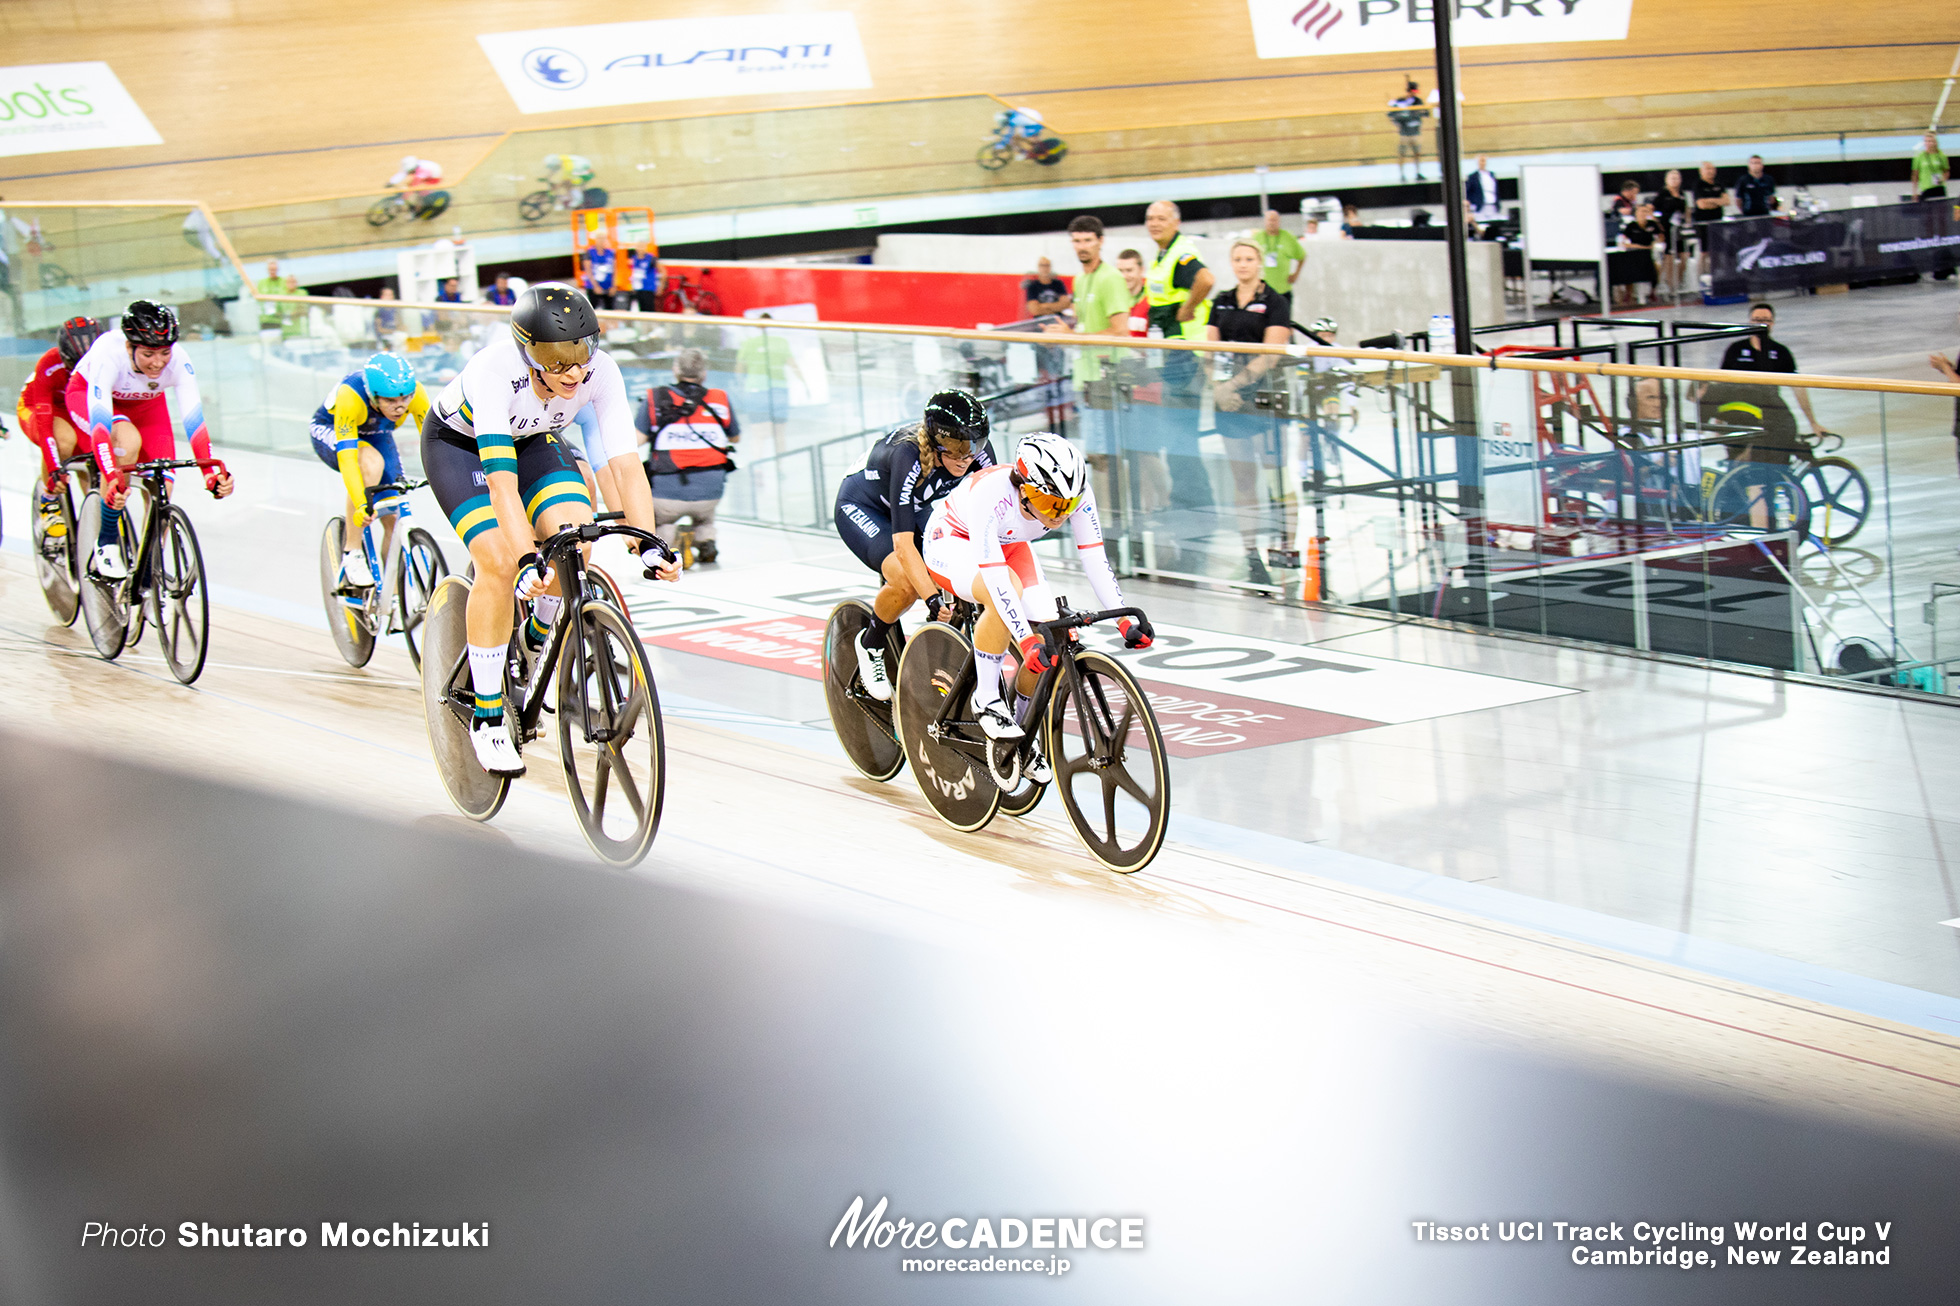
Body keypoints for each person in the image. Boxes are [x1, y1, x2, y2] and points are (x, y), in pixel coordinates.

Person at [420, 283, 679, 775]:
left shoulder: (602, 372)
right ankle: (489, 713)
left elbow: (626, 465)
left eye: (580, 353)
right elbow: (500, 484)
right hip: (461, 448)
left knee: (575, 538)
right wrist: (523, 560)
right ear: (528, 353)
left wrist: (650, 543)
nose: (574, 371)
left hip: (534, 439)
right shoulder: (497, 372)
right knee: (497, 562)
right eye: (557, 362)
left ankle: (538, 632)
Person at [919, 433, 1153, 766]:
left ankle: (1022, 728)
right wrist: (1024, 640)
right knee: (1007, 594)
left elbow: (1095, 559)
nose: (1059, 515)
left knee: (1049, 636)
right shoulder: (992, 492)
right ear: (1025, 488)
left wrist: (1123, 619)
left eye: (1067, 507)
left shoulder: (1074, 493)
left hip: (1010, 543)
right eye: (1050, 505)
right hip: (953, 539)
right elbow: (997, 578)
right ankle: (986, 698)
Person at [832, 391, 995, 700]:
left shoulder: (975, 453)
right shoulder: (907, 456)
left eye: (977, 445)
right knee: (908, 582)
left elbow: (993, 512)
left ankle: (936, 646)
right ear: (936, 443)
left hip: (914, 505)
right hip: (863, 506)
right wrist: (932, 599)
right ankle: (871, 643)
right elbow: (904, 546)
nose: (968, 456)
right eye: (959, 448)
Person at [67, 301, 236, 579]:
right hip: (89, 398)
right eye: (148, 354)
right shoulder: (108, 354)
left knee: (164, 485)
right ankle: (106, 542)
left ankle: (149, 563)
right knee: (126, 444)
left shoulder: (179, 360)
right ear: (129, 347)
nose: (158, 362)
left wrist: (209, 472)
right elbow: (100, 429)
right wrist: (112, 473)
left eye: (164, 353)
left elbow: (194, 420)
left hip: (146, 406)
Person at [1206, 241, 1295, 585]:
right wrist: (1218, 388)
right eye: (1237, 259)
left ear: (1259, 263)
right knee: (1243, 478)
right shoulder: (1222, 300)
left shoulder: (1276, 302)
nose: (1243, 264)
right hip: (1227, 403)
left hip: (1262, 398)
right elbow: (1209, 349)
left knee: (1276, 476)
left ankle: (1286, 548)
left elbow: (1270, 353)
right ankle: (1250, 552)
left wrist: (1235, 385)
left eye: (1249, 259)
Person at [310, 352, 430, 589]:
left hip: (376, 436)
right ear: (373, 397)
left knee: (393, 518)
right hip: (331, 431)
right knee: (371, 464)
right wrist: (360, 502)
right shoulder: (350, 396)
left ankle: (392, 597)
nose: (400, 407)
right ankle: (352, 550)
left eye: (405, 398)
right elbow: (348, 461)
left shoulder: (417, 394)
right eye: (390, 401)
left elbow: (434, 442)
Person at [1044, 216, 1131, 506]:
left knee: (1109, 455)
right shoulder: (1080, 280)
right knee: (1097, 455)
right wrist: (1062, 331)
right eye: (1077, 241)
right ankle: (1107, 515)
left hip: (1109, 377)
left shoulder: (1111, 278)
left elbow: (1120, 331)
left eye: (1087, 240)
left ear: (1100, 241)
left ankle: (1114, 516)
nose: (1082, 246)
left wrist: (1072, 335)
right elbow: (1083, 328)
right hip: (1087, 379)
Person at [637, 347, 738, 564]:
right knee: (705, 517)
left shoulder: (655, 398)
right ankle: (705, 538)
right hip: (711, 493)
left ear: (675, 370)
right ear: (704, 374)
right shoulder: (720, 399)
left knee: (660, 521)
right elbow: (735, 438)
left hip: (666, 495)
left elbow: (637, 440)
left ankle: (669, 544)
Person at [14, 315, 104, 538]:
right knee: (63, 441)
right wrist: (55, 468)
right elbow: (45, 423)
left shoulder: (109, 360)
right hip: (40, 407)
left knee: (91, 458)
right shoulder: (49, 362)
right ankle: (49, 500)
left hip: (74, 408)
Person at [1708, 301, 1821, 464]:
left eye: (1766, 320)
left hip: (1772, 418)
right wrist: (1718, 420)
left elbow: (1798, 387)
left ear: (1773, 323)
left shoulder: (1780, 352)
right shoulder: (1736, 350)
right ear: (1749, 322)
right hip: (1740, 417)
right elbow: (1721, 384)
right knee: (1739, 465)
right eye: (1756, 319)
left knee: (1774, 464)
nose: (1761, 323)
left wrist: (1813, 422)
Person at [735, 313, 805, 451]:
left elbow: (739, 368)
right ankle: (781, 467)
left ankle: (758, 469)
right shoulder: (780, 342)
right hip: (778, 389)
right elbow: (793, 364)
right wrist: (804, 384)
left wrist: (741, 385)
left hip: (756, 390)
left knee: (758, 434)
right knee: (779, 433)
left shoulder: (749, 343)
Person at [1247, 210, 1306, 316]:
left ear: (1279, 221)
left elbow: (1301, 256)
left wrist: (1296, 274)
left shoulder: (1287, 236)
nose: (1271, 223)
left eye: (1274, 220)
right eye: (1269, 220)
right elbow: (1248, 259)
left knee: (1284, 323)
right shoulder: (1257, 238)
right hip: (1262, 291)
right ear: (1265, 221)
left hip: (1282, 291)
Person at [1651, 169, 1691, 301]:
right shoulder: (1663, 194)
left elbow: (1686, 210)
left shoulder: (1682, 193)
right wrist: (1658, 227)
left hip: (1679, 229)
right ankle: (1670, 286)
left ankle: (1678, 283)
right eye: (1672, 178)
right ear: (1667, 180)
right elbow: (1651, 210)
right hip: (1666, 229)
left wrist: (1688, 222)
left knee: (1684, 256)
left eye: (1677, 178)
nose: (1675, 180)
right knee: (1669, 256)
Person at [1616, 203, 1664, 307]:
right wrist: (1637, 246)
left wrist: (1655, 243)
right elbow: (1623, 241)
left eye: (1645, 211)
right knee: (1629, 268)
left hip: (1650, 252)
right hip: (1635, 252)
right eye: (1641, 211)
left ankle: (1652, 292)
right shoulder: (1631, 226)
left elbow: (1660, 236)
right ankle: (1628, 293)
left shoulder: (1652, 224)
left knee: (1656, 267)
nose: (1643, 214)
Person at [1689, 161, 1730, 282]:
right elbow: (1701, 205)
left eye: (1712, 169)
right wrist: (1717, 201)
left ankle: (1716, 278)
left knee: (1716, 252)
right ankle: (1701, 280)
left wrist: (1710, 201)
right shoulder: (1698, 185)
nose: (1710, 171)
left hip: (1717, 222)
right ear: (1701, 171)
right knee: (1704, 252)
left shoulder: (1719, 184)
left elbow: (1727, 201)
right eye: (1707, 169)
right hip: (1703, 224)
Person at [1387, 82, 1427, 182]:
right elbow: (1391, 114)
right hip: (1404, 133)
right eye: (1412, 92)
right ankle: (1402, 174)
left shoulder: (1418, 101)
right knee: (1402, 154)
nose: (1414, 94)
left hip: (1415, 133)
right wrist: (1398, 121)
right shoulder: (1400, 101)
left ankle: (1418, 172)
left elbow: (1425, 113)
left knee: (1417, 153)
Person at [1913, 132, 1950, 200]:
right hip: (1926, 188)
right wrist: (1914, 191)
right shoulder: (1919, 157)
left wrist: (1942, 179)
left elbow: (1946, 171)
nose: (1928, 143)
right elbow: (1915, 175)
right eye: (1926, 141)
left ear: (1935, 142)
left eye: (1930, 141)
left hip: (1939, 187)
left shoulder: (1941, 156)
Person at [1465, 156, 1501, 222]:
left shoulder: (1491, 175)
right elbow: (1468, 191)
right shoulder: (1473, 176)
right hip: (1480, 206)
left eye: (1484, 161)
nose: (1482, 163)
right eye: (1481, 161)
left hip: (1492, 205)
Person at [255, 258, 285, 334]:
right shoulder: (261, 282)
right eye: (270, 269)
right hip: (265, 320)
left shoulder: (284, 281)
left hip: (281, 319)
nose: (272, 271)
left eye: (274, 269)